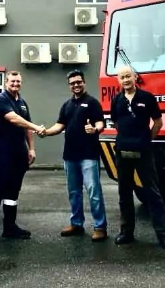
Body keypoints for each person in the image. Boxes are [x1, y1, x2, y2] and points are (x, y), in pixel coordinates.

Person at [110, 65, 165, 250]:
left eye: (128, 76)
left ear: (134, 77)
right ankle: (126, 232)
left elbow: (158, 123)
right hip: (122, 153)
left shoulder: (147, 98)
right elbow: (116, 123)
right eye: (122, 77)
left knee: (153, 193)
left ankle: (163, 235)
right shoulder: (116, 100)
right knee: (124, 193)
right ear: (118, 80)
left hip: (144, 153)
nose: (125, 80)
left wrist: (146, 140)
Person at [42, 69, 108, 241]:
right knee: (74, 192)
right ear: (69, 86)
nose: (76, 85)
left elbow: (100, 123)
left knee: (94, 192)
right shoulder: (67, 105)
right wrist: (46, 132)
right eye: (72, 83)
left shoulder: (92, 103)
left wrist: (95, 129)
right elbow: (59, 125)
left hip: (89, 155)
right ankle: (76, 224)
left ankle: (100, 227)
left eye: (78, 82)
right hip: (70, 156)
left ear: (84, 82)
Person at [0, 70, 46, 245]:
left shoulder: (22, 102)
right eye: (12, 81)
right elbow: (14, 119)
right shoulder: (1, 99)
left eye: (18, 81)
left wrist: (31, 149)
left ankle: (9, 228)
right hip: (3, 153)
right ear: (6, 83)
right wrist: (36, 127)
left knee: (13, 191)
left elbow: (26, 128)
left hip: (19, 153)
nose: (15, 84)